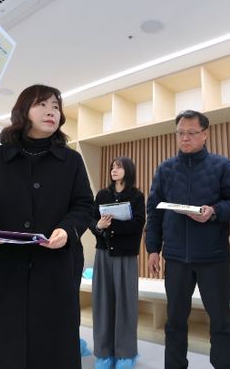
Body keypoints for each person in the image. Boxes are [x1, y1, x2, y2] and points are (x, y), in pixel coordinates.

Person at [0, 84, 94, 369]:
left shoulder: (71, 160)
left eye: (55, 106)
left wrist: (67, 230)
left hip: (52, 271)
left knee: (49, 350)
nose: (51, 111)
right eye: (42, 104)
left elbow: (83, 205)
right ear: (23, 111)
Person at [146, 110, 230, 369]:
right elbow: (154, 210)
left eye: (191, 133)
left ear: (205, 134)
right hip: (175, 258)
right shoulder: (165, 169)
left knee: (221, 321)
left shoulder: (223, 166)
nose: (185, 138)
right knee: (174, 321)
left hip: (213, 258)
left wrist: (214, 212)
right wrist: (153, 249)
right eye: (180, 133)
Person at [91, 157, 146, 369]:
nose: (114, 170)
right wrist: (99, 226)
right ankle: (103, 354)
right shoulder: (102, 195)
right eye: (112, 167)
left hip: (126, 256)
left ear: (128, 170)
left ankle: (126, 354)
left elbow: (138, 224)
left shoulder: (136, 196)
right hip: (103, 254)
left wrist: (110, 226)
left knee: (125, 304)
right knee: (102, 304)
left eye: (119, 167)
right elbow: (93, 221)